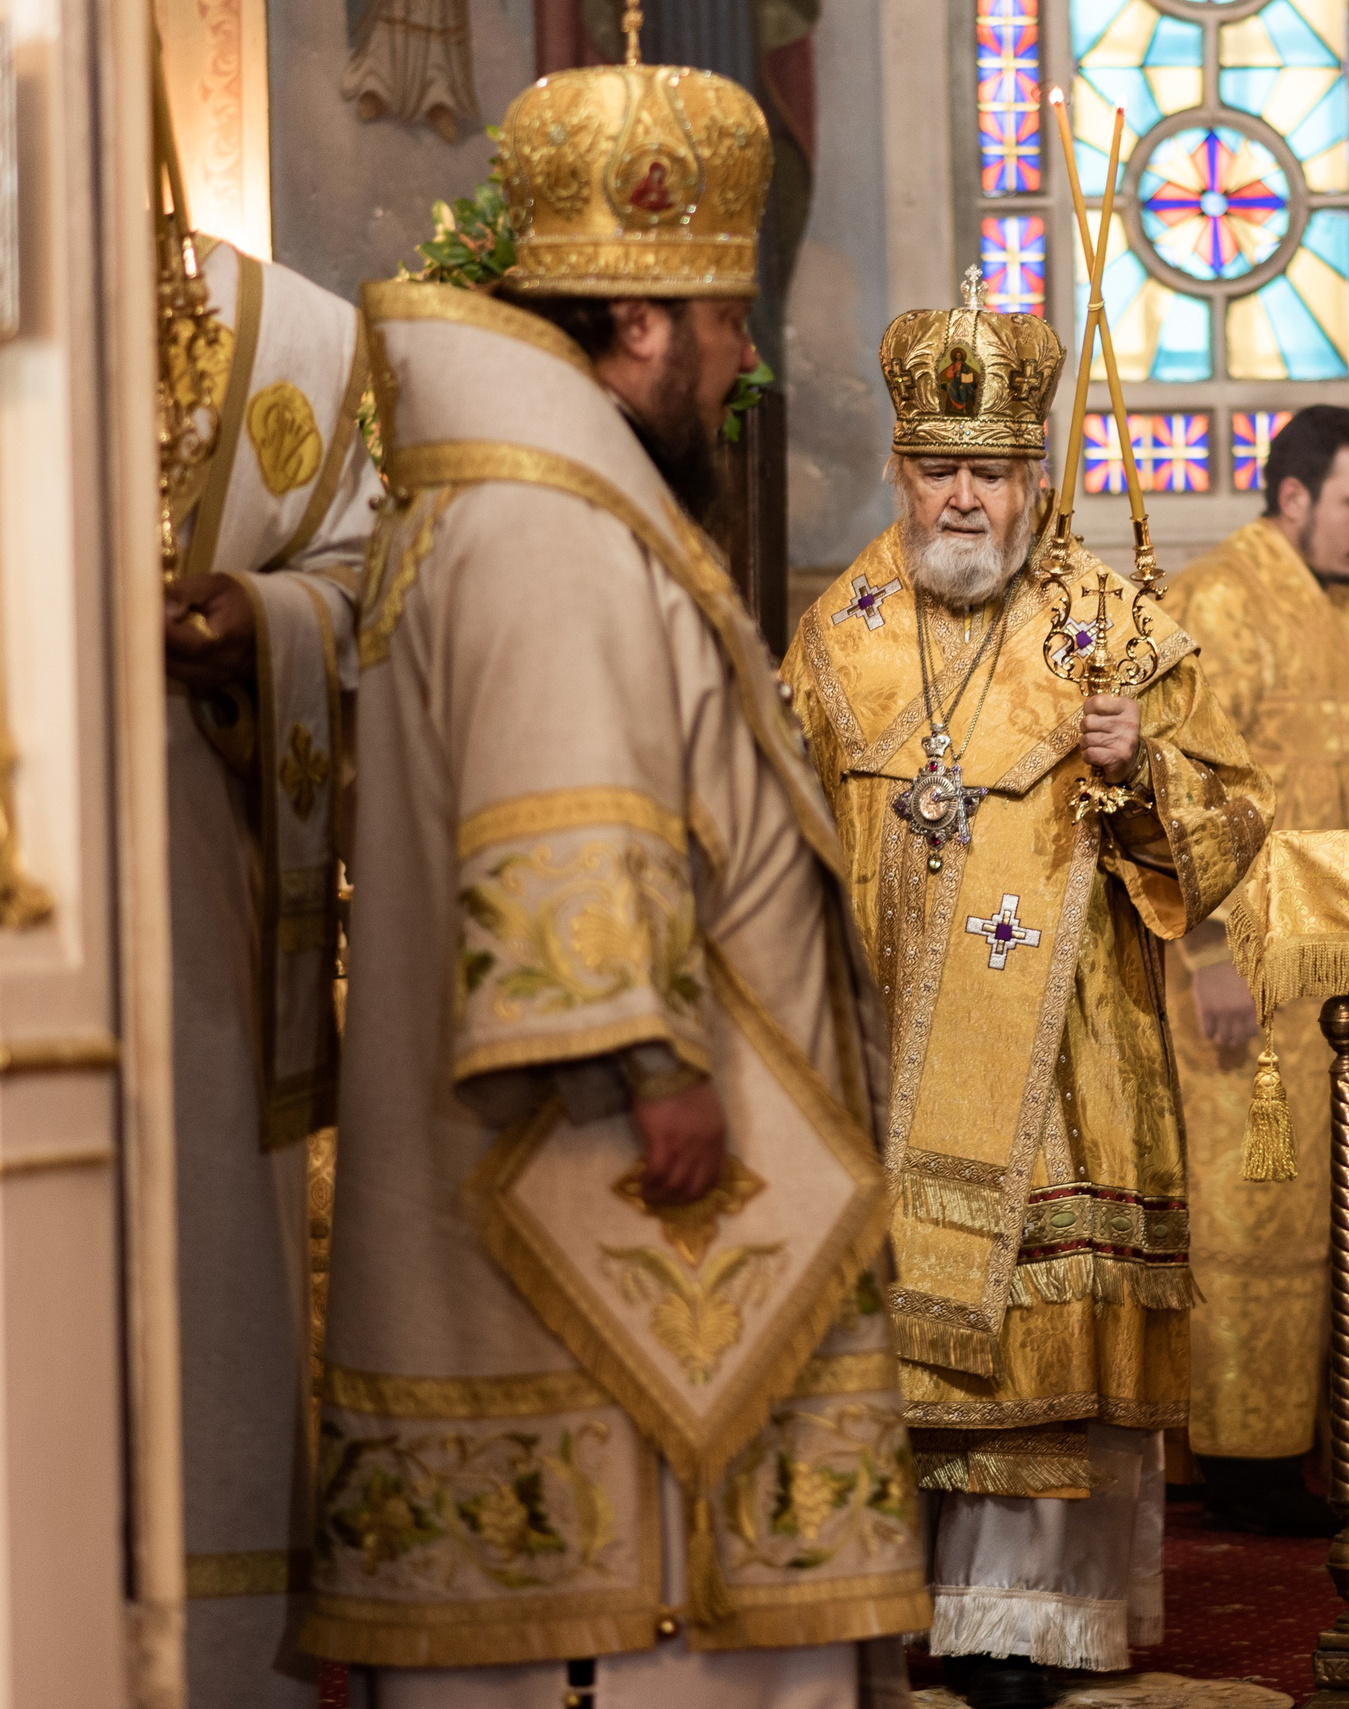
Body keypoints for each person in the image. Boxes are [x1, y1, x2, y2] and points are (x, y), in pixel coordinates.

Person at [305, 61, 927, 1708]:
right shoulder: (549, 518)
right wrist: (646, 1062)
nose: (740, 364)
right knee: (654, 1608)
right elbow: (560, 793)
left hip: (634, 1131)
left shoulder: (530, 487)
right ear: (640, 320)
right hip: (625, 1163)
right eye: (722, 323)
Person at [781, 277, 1272, 1709]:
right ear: (901, 468)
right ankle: (888, 1618)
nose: (961, 500)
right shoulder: (840, 632)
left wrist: (1143, 770)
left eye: (990, 474)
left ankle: (1030, 1636)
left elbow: (1232, 831)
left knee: (1034, 1382)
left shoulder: (1113, 630)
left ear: (1035, 477)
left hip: (1065, 1083)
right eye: (938, 470)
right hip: (879, 1064)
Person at [156, 209, 382, 1704]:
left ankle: (223, 1660)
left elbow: (375, 574)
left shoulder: (280, 339)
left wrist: (267, 621)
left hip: (187, 909)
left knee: (201, 1288)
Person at [1153, 407, 1349, 1535]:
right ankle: (1233, 1461)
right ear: (1292, 499)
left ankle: (1285, 1447)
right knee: (1238, 1215)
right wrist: (1207, 948)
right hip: (1227, 981)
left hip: (1318, 977)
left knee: (1305, 1215)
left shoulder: (1344, 610)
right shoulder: (1216, 599)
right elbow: (1169, 786)